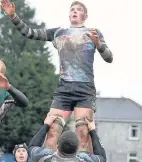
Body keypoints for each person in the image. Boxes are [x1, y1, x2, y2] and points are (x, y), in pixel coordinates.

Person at [0, 0, 113, 152]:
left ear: (85, 16)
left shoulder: (94, 33)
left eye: (78, 9)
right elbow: (29, 33)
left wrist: (98, 43)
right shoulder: (59, 33)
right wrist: (13, 16)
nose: (74, 11)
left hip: (85, 89)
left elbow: (109, 58)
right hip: (64, 89)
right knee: (52, 130)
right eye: (72, 9)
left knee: (83, 132)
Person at [28, 113, 106, 162]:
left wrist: (46, 125)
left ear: (57, 146)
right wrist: (92, 130)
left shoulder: (43, 158)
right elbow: (102, 157)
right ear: (77, 148)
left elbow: (32, 146)